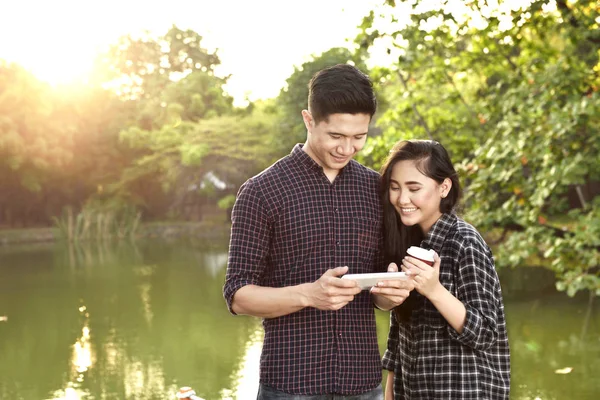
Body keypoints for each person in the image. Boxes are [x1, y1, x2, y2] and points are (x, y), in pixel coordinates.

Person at [223, 64, 413, 399]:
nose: (346, 148)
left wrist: (390, 293)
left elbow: (380, 294)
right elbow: (238, 296)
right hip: (290, 383)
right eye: (336, 136)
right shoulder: (261, 192)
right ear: (309, 120)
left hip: (362, 382)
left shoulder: (376, 189)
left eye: (359, 137)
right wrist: (308, 295)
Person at [379, 139, 510, 399]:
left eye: (414, 188)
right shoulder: (407, 243)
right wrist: (390, 391)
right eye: (395, 188)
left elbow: (485, 333)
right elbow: (399, 330)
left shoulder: (465, 241)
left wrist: (435, 290)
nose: (402, 198)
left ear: (444, 187)